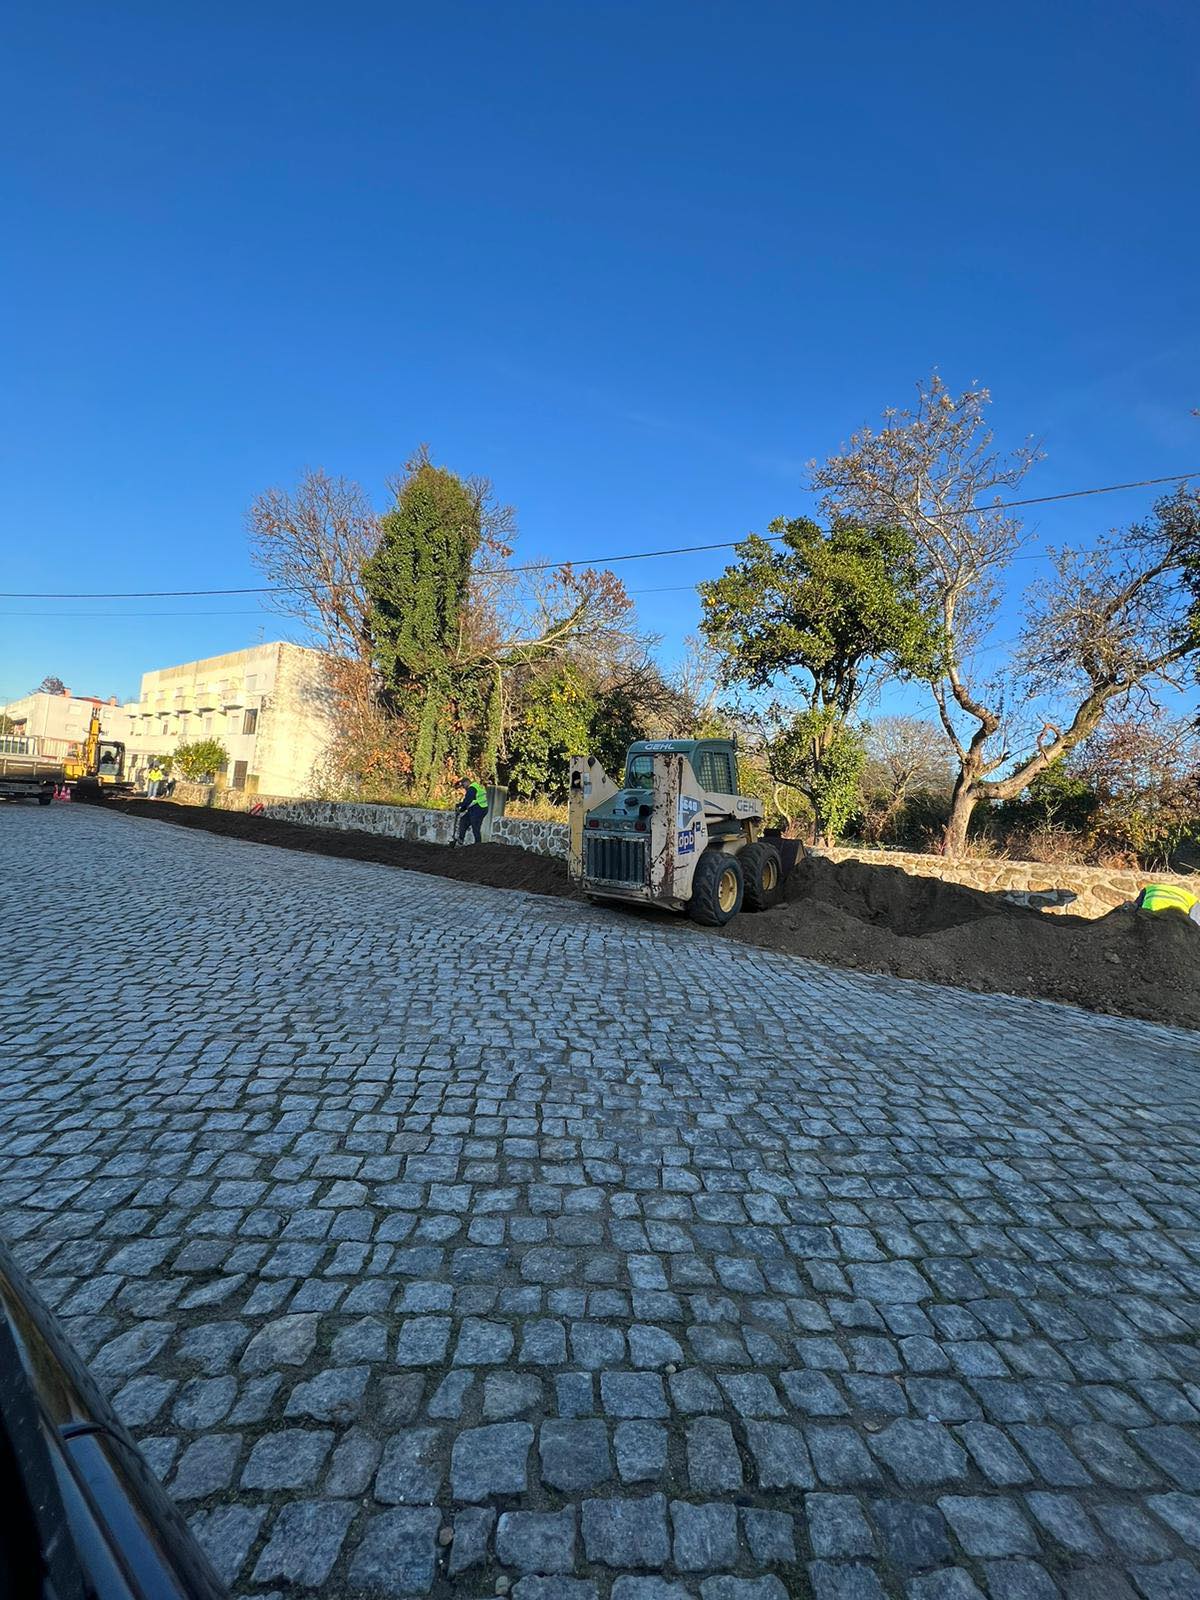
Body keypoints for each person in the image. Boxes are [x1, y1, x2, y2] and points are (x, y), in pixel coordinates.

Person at [455, 776, 489, 845]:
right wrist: (461, 810)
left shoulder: (472, 789)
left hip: (479, 809)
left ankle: (478, 844)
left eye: (463, 785)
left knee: (475, 826)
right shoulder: (474, 787)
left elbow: (467, 801)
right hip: (476, 809)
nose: (463, 787)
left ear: (467, 782)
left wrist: (459, 805)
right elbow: (468, 803)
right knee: (464, 820)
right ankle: (461, 839)